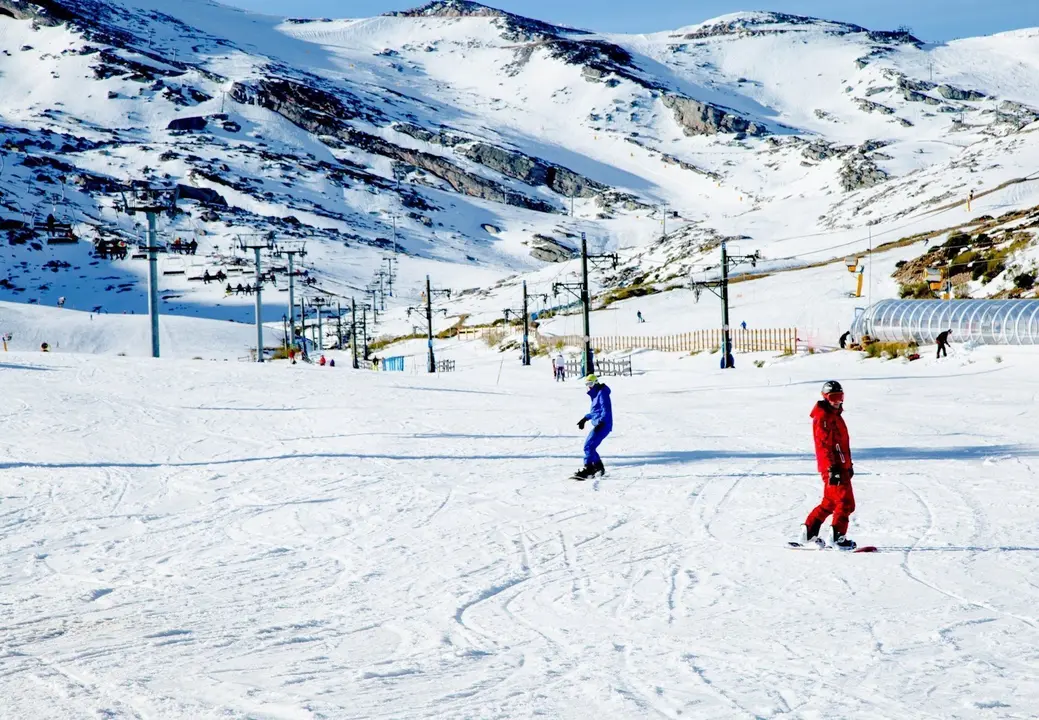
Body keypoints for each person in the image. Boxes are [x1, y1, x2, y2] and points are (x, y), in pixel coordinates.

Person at [798, 381, 856, 550]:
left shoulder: (835, 416)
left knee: (830, 502)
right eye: (833, 397)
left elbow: (842, 444)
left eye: (840, 397)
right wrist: (831, 468)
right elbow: (823, 445)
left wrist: (848, 465)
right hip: (833, 467)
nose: (837, 401)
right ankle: (837, 537)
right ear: (825, 397)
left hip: (840, 466)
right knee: (846, 502)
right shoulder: (824, 417)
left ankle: (809, 532)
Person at [573, 374, 613, 480]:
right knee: (589, 446)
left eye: (590, 384)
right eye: (587, 384)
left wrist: (602, 422)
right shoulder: (596, 394)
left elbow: (606, 409)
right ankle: (598, 467)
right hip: (601, 423)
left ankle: (590, 469)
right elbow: (596, 412)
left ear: (595, 382)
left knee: (589, 446)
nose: (589, 386)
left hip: (603, 424)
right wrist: (585, 418)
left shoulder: (602, 393)